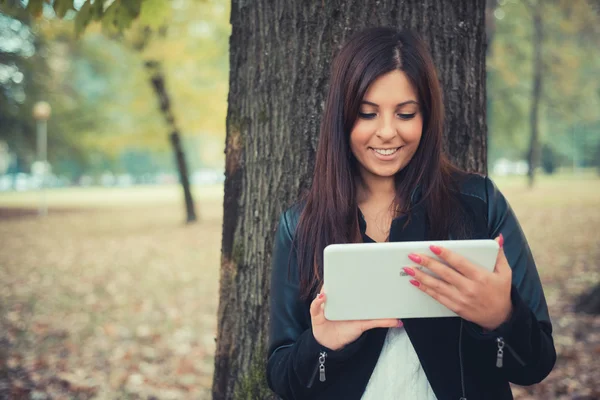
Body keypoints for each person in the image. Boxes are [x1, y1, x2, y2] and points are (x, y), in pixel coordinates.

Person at [266, 27, 556, 400]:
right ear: (341, 117)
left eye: (405, 113)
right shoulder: (301, 225)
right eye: (367, 114)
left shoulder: (479, 203)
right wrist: (323, 344)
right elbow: (283, 376)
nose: (387, 132)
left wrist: (501, 318)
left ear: (426, 116)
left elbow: (535, 365)